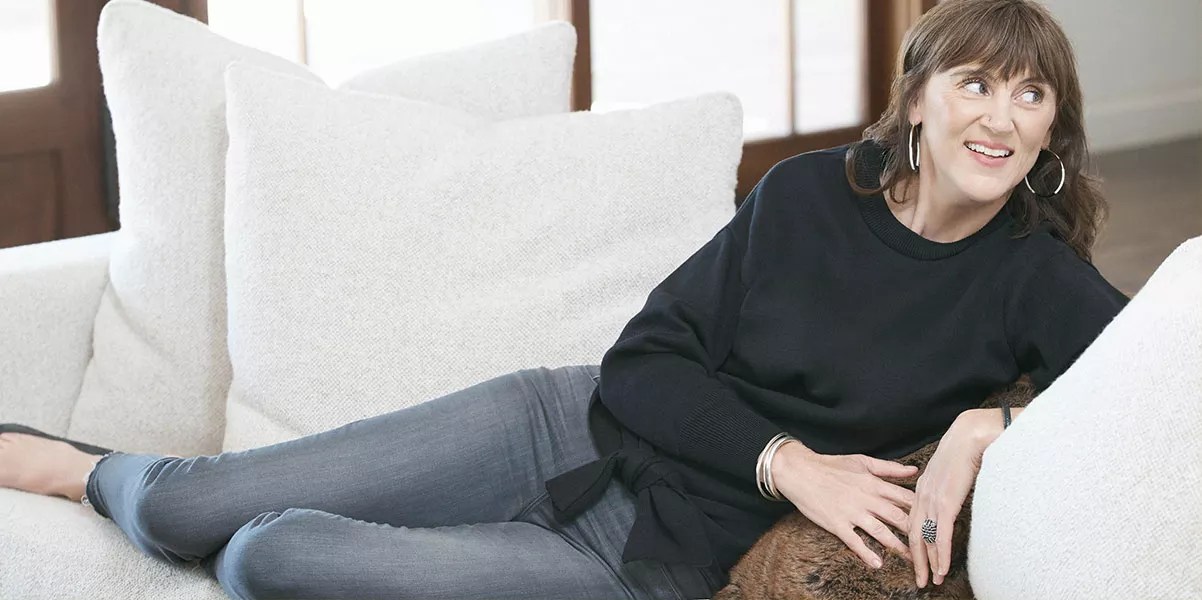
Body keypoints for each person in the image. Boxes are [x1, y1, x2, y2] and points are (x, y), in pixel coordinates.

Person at [0, 0, 1130, 598]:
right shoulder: (806, 195)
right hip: (562, 425)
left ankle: (226, 509)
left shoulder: (1031, 276)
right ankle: (77, 466)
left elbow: (1163, 386)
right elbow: (646, 359)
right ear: (919, 101)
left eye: (1030, 94)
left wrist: (989, 424)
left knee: (267, 561)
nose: (1000, 117)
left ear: (1051, 127)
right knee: (181, 512)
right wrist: (788, 461)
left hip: (645, 563)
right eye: (974, 82)